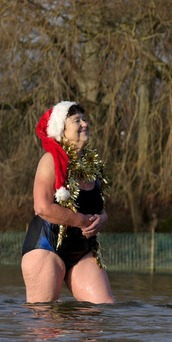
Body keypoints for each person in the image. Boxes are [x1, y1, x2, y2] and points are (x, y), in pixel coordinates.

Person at [20, 101, 114, 304]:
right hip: (46, 247)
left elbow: (99, 209)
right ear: (61, 131)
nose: (84, 124)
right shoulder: (50, 160)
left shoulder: (92, 167)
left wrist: (102, 220)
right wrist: (80, 221)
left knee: (102, 310)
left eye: (85, 119)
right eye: (76, 120)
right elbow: (42, 207)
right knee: (44, 319)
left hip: (82, 250)